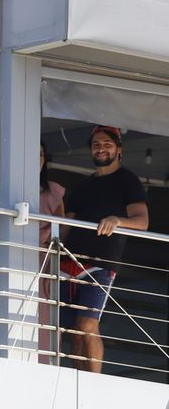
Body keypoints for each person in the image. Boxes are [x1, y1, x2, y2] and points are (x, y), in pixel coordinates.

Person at [61, 125, 149, 373]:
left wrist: (117, 220)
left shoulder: (127, 180)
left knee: (88, 323)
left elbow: (142, 222)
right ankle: (79, 380)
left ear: (119, 150)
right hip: (69, 262)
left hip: (101, 263)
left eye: (107, 144)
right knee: (73, 329)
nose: (101, 149)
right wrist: (53, 249)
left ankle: (93, 382)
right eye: (96, 145)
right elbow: (66, 226)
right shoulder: (82, 186)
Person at [36, 144, 66, 362]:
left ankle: (45, 363)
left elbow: (60, 231)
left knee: (45, 312)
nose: (37, 158)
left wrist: (51, 268)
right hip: (13, 255)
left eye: (40, 154)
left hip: (43, 259)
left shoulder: (52, 190)